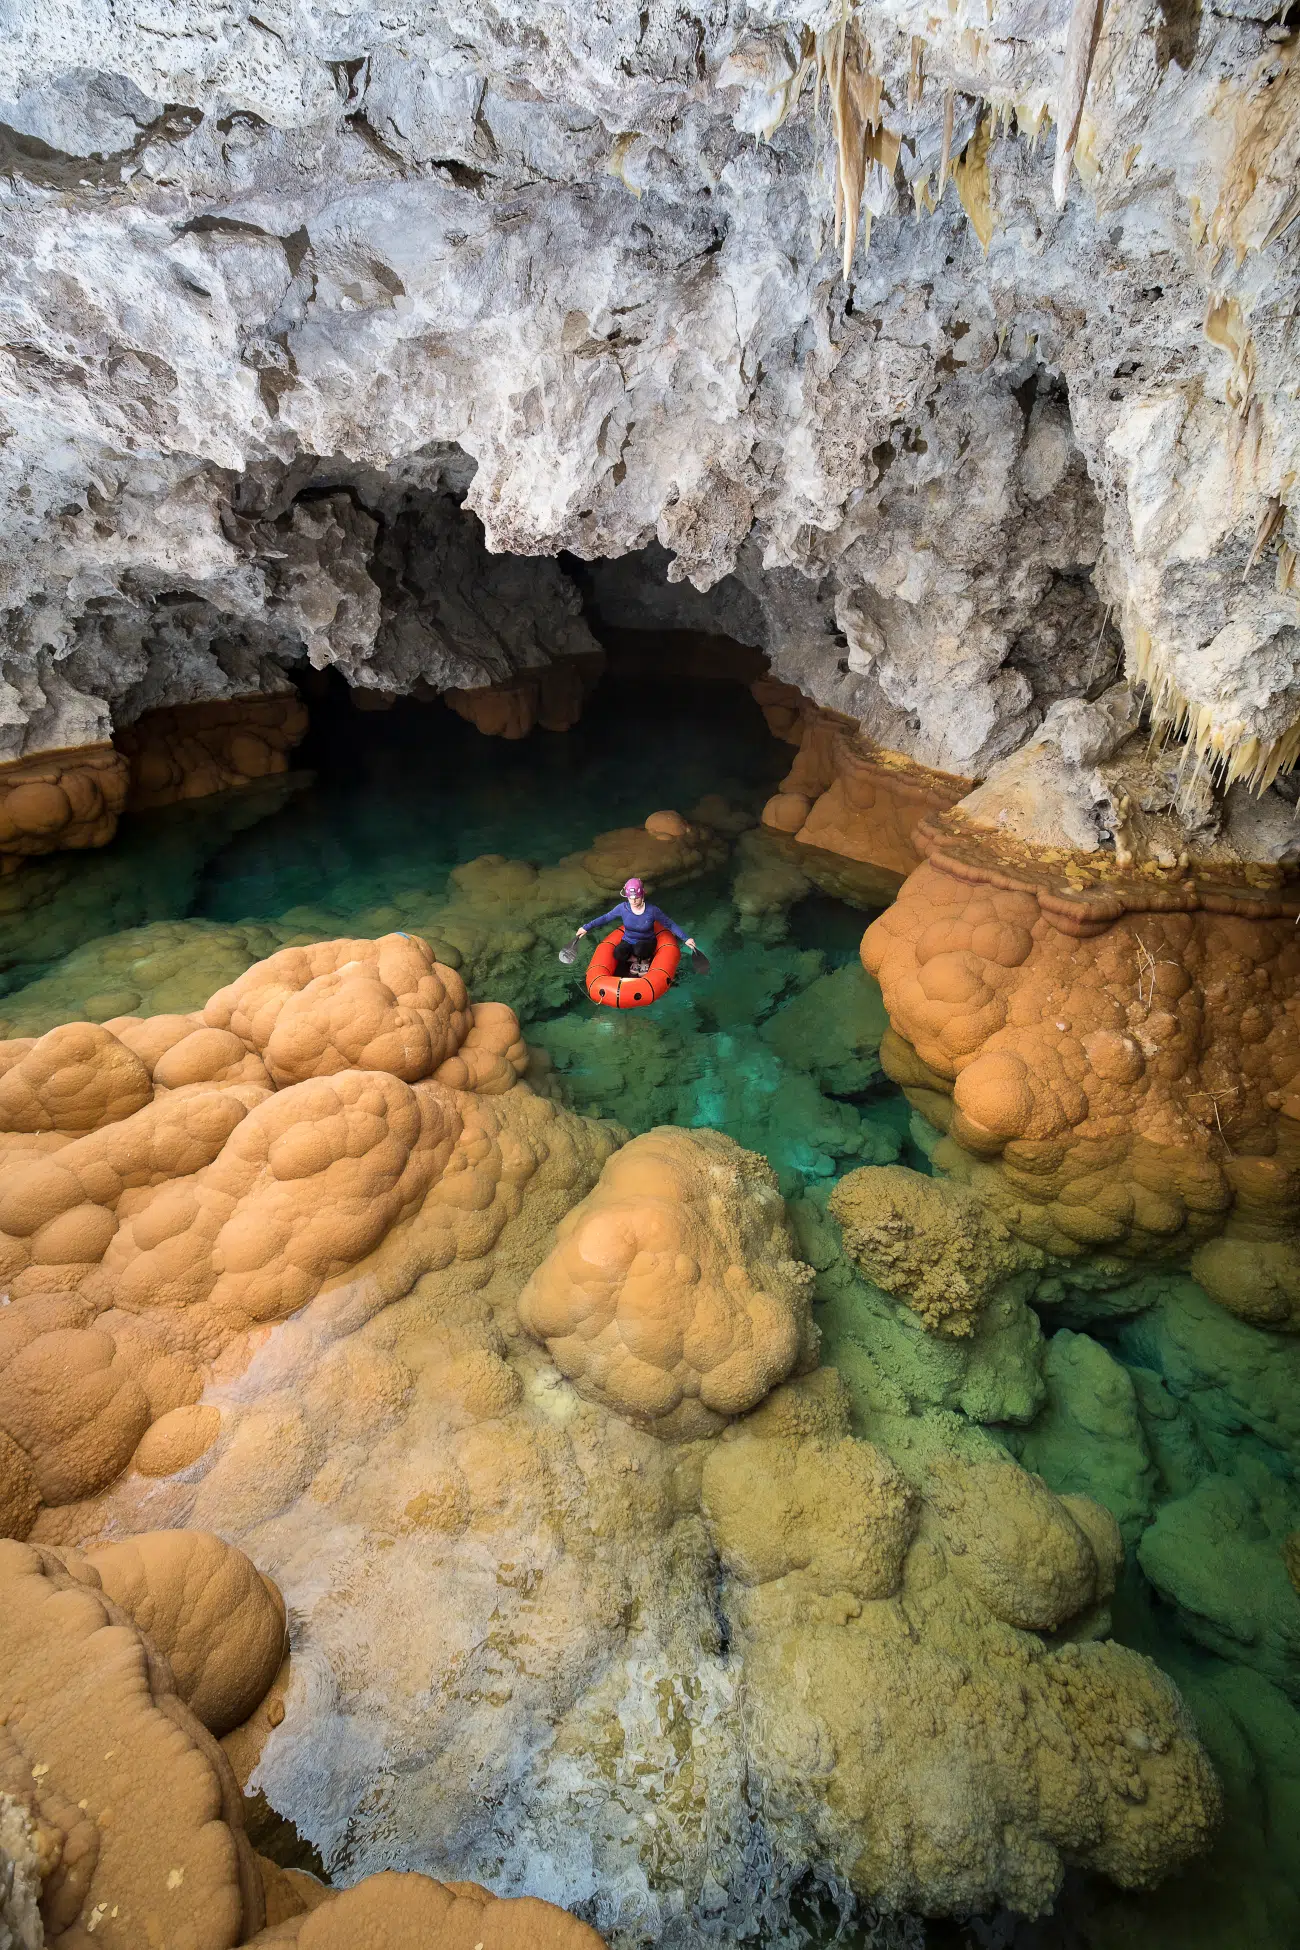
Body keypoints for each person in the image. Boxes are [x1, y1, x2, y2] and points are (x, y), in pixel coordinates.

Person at [576, 879, 696, 977]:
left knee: (640, 949)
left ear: (642, 895)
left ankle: (645, 960)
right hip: (628, 940)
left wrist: (686, 938)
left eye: (636, 898)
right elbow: (605, 918)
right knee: (617, 953)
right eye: (630, 898)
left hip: (647, 941)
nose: (633, 901)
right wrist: (586, 927)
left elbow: (669, 924)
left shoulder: (652, 910)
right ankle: (635, 960)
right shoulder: (622, 908)